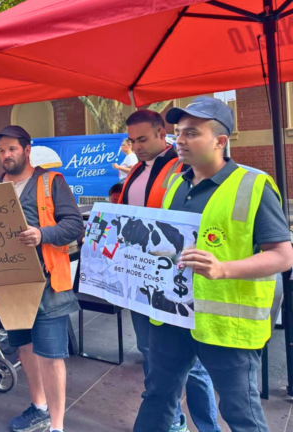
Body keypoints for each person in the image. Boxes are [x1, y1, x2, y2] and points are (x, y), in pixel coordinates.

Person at [133, 96, 293, 432]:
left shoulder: (254, 186)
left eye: (191, 133)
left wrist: (223, 269)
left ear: (220, 141)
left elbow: (283, 255)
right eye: (179, 133)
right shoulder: (176, 183)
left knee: (240, 414)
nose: (180, 140)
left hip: (227, 326)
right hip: (173, 317)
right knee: (159, 398)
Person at [0, 126, 83, 432]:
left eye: (12, 149)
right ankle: (39, 408)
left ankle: (57, 427)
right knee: (24, 349)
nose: (6, 155)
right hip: (10, 285)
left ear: (27, 149)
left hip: (48, 285)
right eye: (1, 151)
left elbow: (74, 225)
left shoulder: (50, 182)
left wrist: (42, 234)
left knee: (51, 356)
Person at [120, 110, 220, 432]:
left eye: (143, 139)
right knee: (150, 352)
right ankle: (173, 419)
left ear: (162, 133)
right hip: (140, 277)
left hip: (175, 279)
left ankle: (207, 427)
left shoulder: (183, 168)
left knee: (192, 364)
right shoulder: (136, 171)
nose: (136, 146)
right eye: (132, 141)